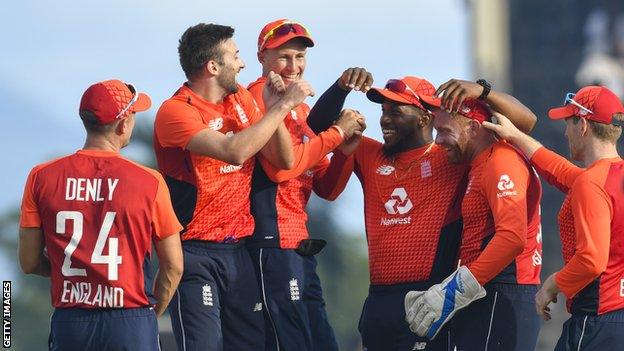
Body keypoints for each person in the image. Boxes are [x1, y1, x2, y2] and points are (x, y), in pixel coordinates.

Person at [311, 77, 536, 350]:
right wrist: (341, 87)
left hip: (428, 297)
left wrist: (484, 91)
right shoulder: (367, 152)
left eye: (396, 111)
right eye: (383, 111)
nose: (385, 119)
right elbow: (315, 127)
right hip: (379, 301)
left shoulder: (451, 154)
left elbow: (524, 125)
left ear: (423, 118)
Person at [153, 23, 315, 351]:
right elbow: (235, 151)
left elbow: (283, 160)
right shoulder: (176, 110)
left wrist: (274, 108)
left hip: (241, 249)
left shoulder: (240, 97)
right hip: (196, 250)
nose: (242, 65)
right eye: (236, 56)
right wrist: (284, 107)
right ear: (213, 66)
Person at [18, 79, 184, 351]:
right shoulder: (149, 181)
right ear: (123, 124)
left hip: (72, 321)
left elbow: (28, 262)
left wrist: (70, 274)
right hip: (130, 319)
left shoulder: (42, 177)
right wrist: (149, 315)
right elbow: (174, 266)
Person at [246, 18, 372, 351]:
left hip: (297, 244)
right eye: (284, 56)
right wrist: (337, 133)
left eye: (300, 57)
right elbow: (281, 170)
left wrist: (345, 153)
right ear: (262, 56)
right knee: (292, 342)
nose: (294, 66)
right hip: (270, 240)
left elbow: (326, 189)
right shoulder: (257, 98)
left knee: (322, 342)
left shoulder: (300, 109)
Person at [482, 85, 624, 350]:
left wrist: (552, 284)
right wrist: (514, 135)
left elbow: (592, 260)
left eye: (568, 123)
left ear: (582, 125)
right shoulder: (607, 176)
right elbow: (558, 170)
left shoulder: (591, 183)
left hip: (598, 321)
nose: (565, 131)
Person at [405, 80, 543, 350]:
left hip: (504, 291)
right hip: (487, 291)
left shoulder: (500, 161)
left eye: (444, 131)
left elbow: (512, 238)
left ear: (474, 127)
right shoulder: (480, 161)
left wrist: (452, 291)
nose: (438, 141)